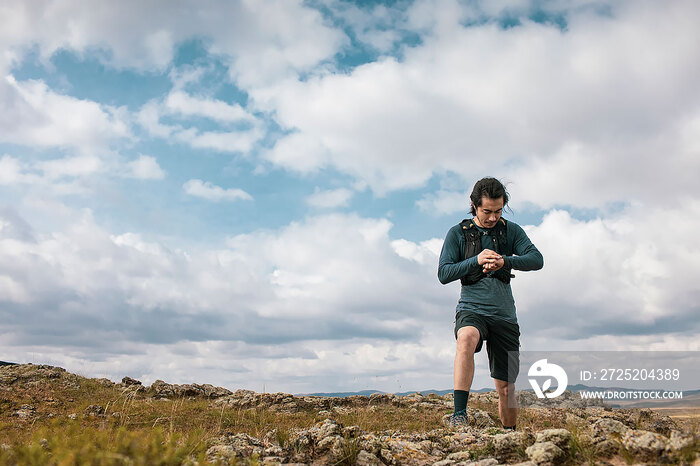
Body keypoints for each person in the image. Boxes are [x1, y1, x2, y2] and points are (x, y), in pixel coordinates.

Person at [438, 177, 543, 430]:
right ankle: (459, 414)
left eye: (498, 211)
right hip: (471, 308)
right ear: (474, 205)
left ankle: (510, 435)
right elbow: (444, 273)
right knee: (466, 338)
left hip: (505, 315)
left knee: (506, 388)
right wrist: (476, 260)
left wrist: (505, 261)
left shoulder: (511, 231)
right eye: (487, 211)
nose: (493, 217)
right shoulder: (457, 234)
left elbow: (537, 259)